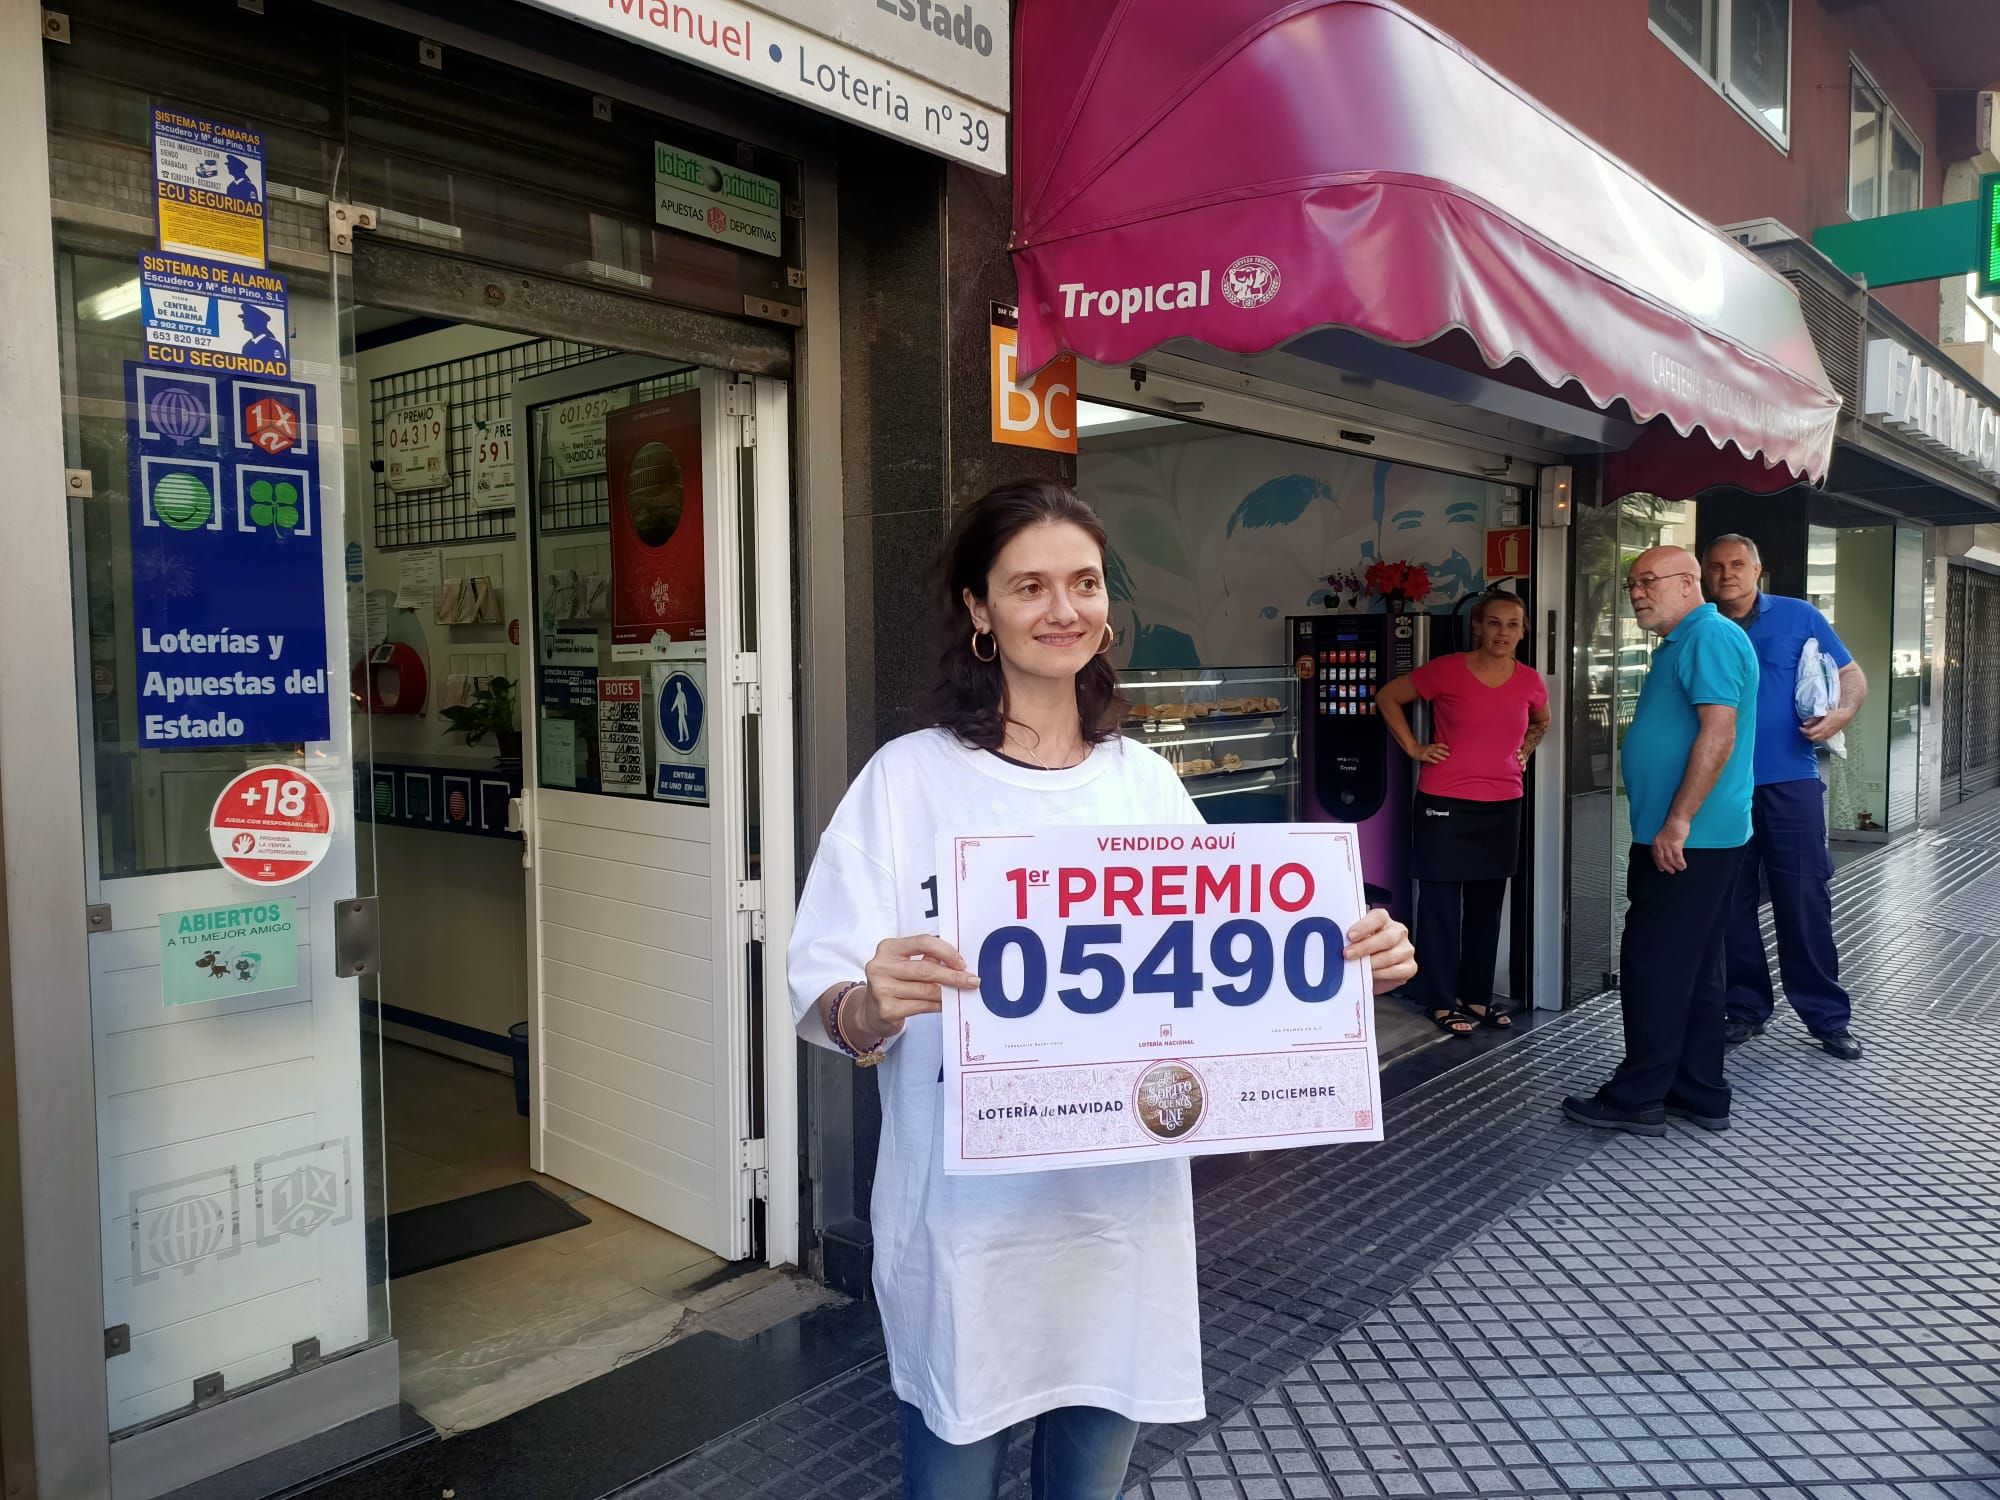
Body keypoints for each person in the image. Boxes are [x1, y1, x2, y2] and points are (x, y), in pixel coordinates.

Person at [786, 479, 1419, 1499]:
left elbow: (1218, 968)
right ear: (976, 609)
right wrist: (865, 1006)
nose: (1061, 609)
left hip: (1120, 1212)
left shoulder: (1143, 783)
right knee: (946, 1476)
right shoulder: (907, 782)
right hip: (966, 1219)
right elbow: (826, 984)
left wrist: (1341, 966)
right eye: (1027, 585)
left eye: (1081, 582)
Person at [1564, 545, 1757, 1136]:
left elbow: (1718, 733)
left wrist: (1678, 821)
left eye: (1648, 581)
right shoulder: (1689, 641)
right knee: (1696, 968)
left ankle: (1637, 1097)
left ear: (1687, 582)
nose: (1638, 593)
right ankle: (1698, 1091)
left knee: (1654, 965)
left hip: (1688, 841)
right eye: (1632, 584)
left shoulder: (1708, 637)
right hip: (1696, 839)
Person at [1704, 535, 1866, 1061]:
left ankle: (1827, 1016)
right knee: (1731, 903)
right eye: (1717, 567)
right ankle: (1746, 1007)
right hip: (1724, 786)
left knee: (1804, 898)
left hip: (1790, 781)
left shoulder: (1799, 615)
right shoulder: (1702, 627)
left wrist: (1842, 714)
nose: (1727, 574)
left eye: (1737, 565)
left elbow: (1850, 674)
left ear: (1758, 569)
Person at [1377, 591, 1551, 1037]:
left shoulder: (1530, 679)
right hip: (1444, 802)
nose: (1503, 633)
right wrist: (1415, 748)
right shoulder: (1447, 669)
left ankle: (1475, 996)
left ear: (1523, 631)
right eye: (1494, 623)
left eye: (1513, 625)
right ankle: (1438, 999)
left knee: (1486, 908)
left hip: (1502, 804)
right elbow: (1388, 697)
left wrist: (1524, 751)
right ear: (1478, 627)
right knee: (1439, 907)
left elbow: (1542, 721)